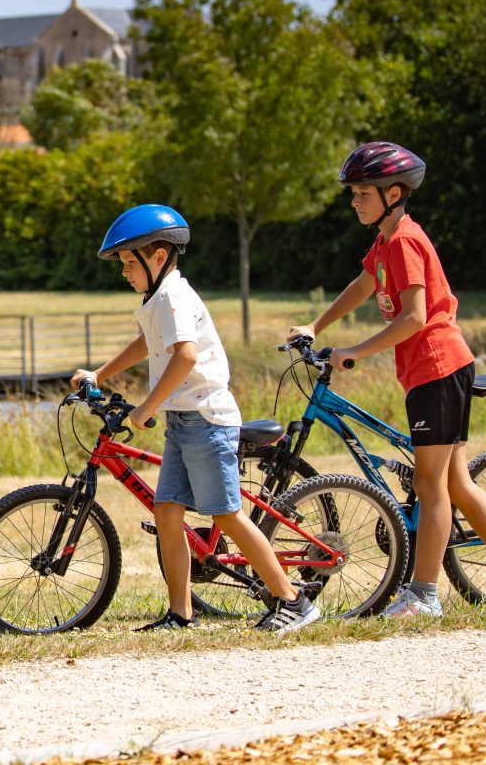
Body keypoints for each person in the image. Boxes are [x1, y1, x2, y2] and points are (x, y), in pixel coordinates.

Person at [289, 142, 486, 615]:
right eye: (352, 193)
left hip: (437, 367)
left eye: (361, 193)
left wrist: (354, 352)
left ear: (393, 193)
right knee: (454, 484)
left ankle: (422, 595)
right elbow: (364, 283)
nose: (354, 200)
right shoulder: (387, 241)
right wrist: (317, 325)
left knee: (433, 486)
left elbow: (414, 317)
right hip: (432, 371)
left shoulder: (406, 241)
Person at [74, 205, 321, 634]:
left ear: (159, 257)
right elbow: (148, 343)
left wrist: (147, 407)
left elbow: (185, 356)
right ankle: (180, 612)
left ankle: (294, 602)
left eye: (131, 263)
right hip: (184, 423)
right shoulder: (159, 299)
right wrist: (99, 374)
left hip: (207, 420)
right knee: (168, 513)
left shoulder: (174, 295)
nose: (124, 272)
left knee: (226, 515)